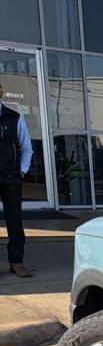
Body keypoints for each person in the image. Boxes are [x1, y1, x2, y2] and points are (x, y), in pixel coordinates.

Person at [0, 84, 34, 277]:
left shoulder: (14, 117)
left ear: (1, 92)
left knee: (14, 221)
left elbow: (26, 148)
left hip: (10, 177)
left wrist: (21, 172)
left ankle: (16, 262)